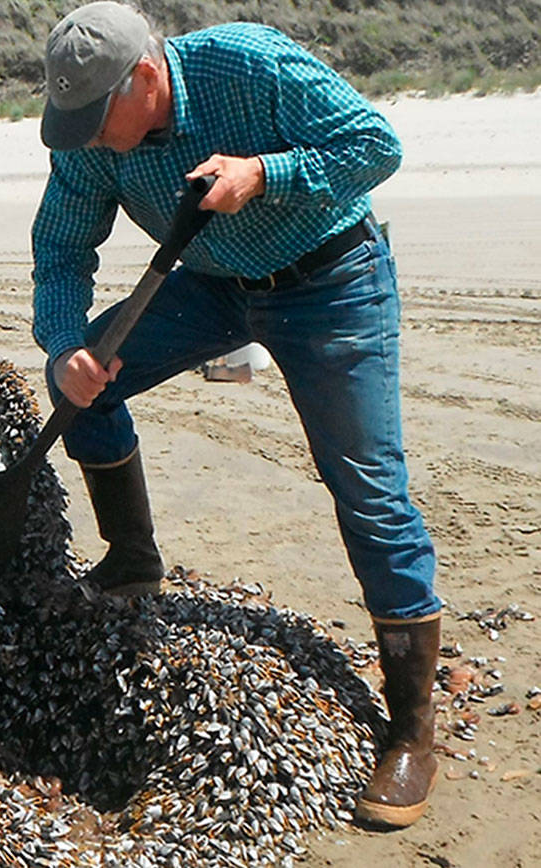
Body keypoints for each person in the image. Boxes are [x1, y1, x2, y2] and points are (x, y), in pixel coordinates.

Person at [32, 2, 440, 829]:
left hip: (331, 282)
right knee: (83, 382)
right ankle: (132, 557)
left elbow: (376, 146)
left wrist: (266, 174)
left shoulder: (248, 66)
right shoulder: (90, 144)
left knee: (367, 486)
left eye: (94, 118)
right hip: (211, 289)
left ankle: (410, 728)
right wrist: (65, 342)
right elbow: (61, 249)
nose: (85, 139)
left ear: (145, 77)